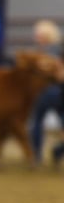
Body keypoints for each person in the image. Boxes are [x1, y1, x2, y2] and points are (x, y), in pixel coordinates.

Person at [28, 19, 64, 165]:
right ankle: (57, 151)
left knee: (36, 121)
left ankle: (36, 155)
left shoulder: (42, 54)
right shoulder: (57, 51)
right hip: (59, 91)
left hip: (47, 92)